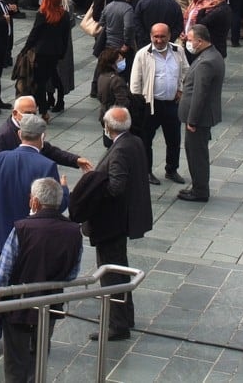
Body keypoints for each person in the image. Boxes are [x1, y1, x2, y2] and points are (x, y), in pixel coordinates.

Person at [0, 115, 68, 349]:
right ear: (42, 137)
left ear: (19, 134)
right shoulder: (46, 166)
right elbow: (55, 206)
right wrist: (65, 190)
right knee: (27, 292)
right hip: (31, 243)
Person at [0, 177, 83, 383]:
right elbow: (72, 274)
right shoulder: (73, 231)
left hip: (17, 306)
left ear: (34, 201)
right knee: (39, 357)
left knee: (15, 363)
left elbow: (2, 273)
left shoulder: (22, 228)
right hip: (50, 304)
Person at [84, 107, 152, 341]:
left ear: (108, 127)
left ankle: (117, 324)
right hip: (122, 220)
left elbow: (115, 187)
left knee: (110, 273)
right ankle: (124, 315)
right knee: (120, 269)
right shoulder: (134, 141)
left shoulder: (121, 149)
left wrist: (92, 184)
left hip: (111, 223)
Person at [130, 22, 189, 185]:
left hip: (172, 103)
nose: (159, 40)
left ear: (169, 36)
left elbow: (186, 70)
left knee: (174, 139)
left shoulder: (178, 50)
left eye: (163, 36)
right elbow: (135, 82)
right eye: (156, 36)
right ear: (151, 36)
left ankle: (172, 170)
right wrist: (138, 104)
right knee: (146, 139)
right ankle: (146, 171)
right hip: (151, 104)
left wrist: (181, 89)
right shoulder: (143, 54)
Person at [177, 25, 225, 202]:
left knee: (196, 153)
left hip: (199, 117)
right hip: (201, 115)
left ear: (200, 40)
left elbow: (200, 93)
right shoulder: (210, 55)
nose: (188, 43)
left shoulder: (206, 62)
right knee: (196, 151)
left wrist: (192, 120)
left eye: (190, 40)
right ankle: (198, 186)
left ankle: (200, 190)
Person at [0, 96, 92, 171]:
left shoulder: (28, 127)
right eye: (27, 113)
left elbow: (48, 150)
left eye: (34, 113)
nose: (31, 117)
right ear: (15, 113)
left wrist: (75, 160)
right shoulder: (2, 136)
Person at [23, 0, 71, 119]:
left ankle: (43, 110)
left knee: (40, 81)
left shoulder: (42, 14)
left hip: (42, 52)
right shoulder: (64, 15)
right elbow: (65, 36)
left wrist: (26, 49)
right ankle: (60, 99)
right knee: (53, 75)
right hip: (55, 52)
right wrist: (62, 52)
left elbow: (34, 34)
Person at [45, 0, 76, 111]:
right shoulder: (47, 2)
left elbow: (71, 23)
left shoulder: (68, 4)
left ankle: (60, 99)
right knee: (48, 70)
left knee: (62, 71)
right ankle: (49, 96)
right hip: (49, 42)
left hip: (63, 42)